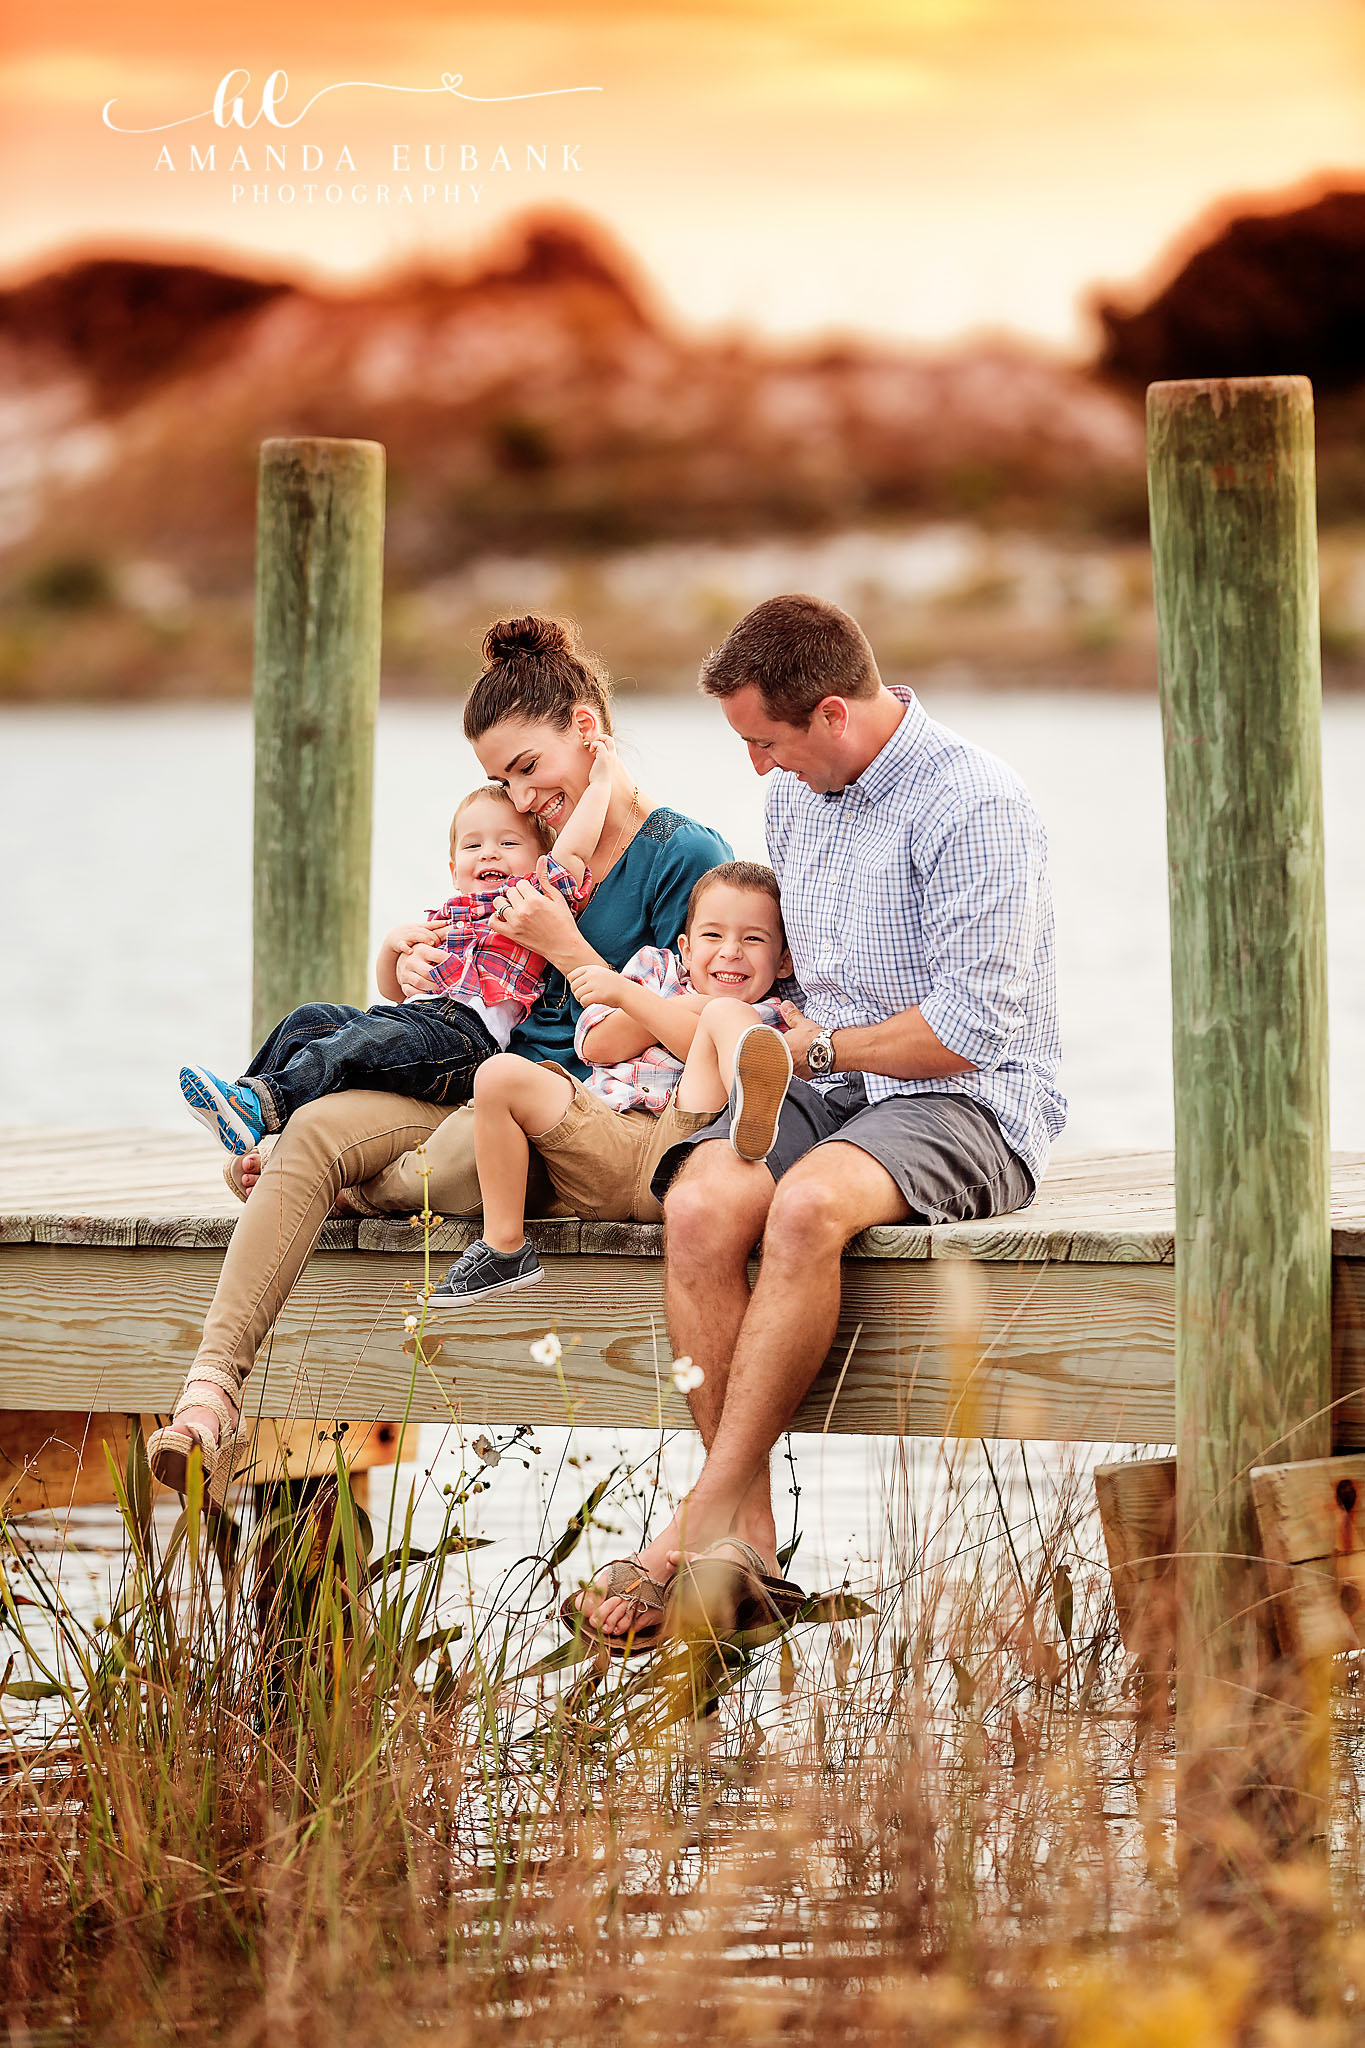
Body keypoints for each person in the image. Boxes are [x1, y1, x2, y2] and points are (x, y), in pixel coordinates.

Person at [147, 614, 730, 1506]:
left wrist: (571, 949)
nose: (520, 800)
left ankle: (334, 1187)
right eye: (498, 781)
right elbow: (471, 972)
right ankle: (209, 1393)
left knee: (386, 1159)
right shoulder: (525, 851)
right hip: (470, 1076)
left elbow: (704, 1021)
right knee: (310, 1132)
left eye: (529, 771)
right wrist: (406, 959)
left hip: (569, 1118)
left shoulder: (681, 856)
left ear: (586, 731)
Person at [577, 592, 1066, 1647]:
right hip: (819, 1067)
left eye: (765, 741)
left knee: (802, 1208)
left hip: (966, 1096)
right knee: (704, 1200)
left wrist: (821, 1049)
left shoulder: (974, 804)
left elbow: (976, 1027)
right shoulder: (802, 795)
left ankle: (694, 1518)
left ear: (832, 713)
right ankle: (745, 1533)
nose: (757, 768)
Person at [175, 757, 610, 1157]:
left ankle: (260, 1107)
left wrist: (601, 784)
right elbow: (393, 991)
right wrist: (390, 949)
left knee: (358, 1042)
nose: (489, 853)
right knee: (309, 1020)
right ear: (453, 867)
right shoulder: (446, 916)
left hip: (467, 1044)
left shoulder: (530, 901)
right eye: (472, 846)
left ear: (538, 860)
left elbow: (571, 850)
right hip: (413, 1021)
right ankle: (247, 1105)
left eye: (508, 842)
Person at [424, 860, 793, 1306]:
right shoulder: (653, 968)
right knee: (498, 1075)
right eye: (713, 935)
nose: (731, 951)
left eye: (753, 938)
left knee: (728, 1018)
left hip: (687, 1146)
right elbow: (598, 1044)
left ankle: (753, 1118)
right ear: (686, 946)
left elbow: (702, 1043)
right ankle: (504, 1247)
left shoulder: (774, 1013)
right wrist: (681, 1004)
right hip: (603, 1136)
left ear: (784, 961)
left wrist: (637, 1000)